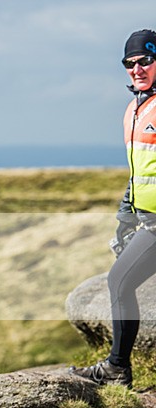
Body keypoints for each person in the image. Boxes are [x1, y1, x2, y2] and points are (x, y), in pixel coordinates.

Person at [71, 29, 156, 387]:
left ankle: (118, 368)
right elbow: (138, 172)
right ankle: (118, 367)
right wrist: (125, 219)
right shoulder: (134, 109)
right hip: (146, 220)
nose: (137, 68)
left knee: (119, 281)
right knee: (120, 281)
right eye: (129, 63)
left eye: (145, 60)